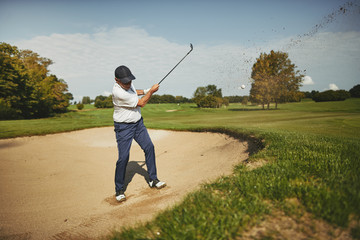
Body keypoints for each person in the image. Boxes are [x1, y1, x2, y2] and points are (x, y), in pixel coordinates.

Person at [112, 65, 166, 202]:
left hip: (138, 124)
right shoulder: (118, 93)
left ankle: (153, 179)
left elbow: (136, 91)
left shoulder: (128, 83)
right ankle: (119, 189)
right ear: (116, 80)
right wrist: (151, 92)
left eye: (129, 80)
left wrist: (147, 89)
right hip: (123, 127)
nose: (128, 83)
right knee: (123, 158)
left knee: (149, 147)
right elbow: (141, 103)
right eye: (125, 82)